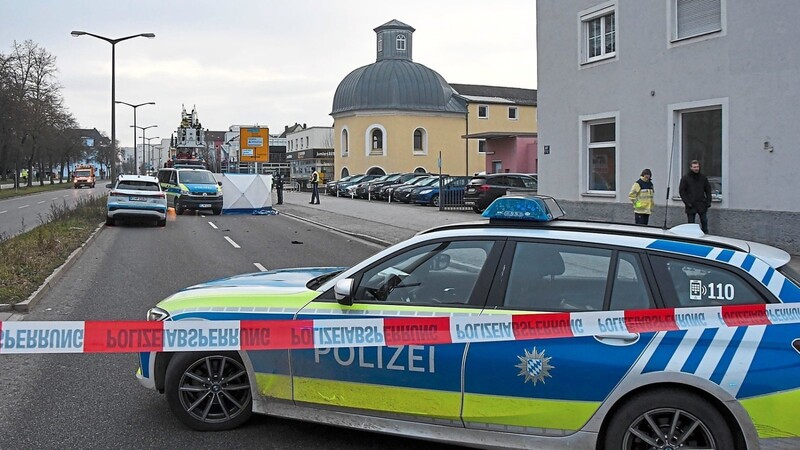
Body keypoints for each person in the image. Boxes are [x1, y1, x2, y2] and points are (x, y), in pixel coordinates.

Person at [679, 160, 712, 234]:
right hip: (691, 205)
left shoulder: (703, 178)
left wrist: (708, 201)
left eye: (697, 167)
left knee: (704, 222)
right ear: (691, 167)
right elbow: (682, 191)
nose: (696, 168)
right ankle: (692, 238)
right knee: (691, 225)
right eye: (694, 167)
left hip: (701, 204)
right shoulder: (686, 178)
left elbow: (708, 190)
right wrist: (687, 203)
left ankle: (706, 236)